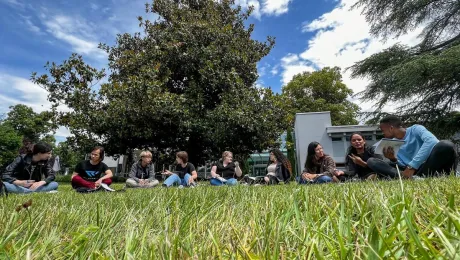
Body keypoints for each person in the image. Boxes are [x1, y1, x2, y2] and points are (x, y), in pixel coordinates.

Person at [367, 115, 458, 178]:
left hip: (429, 166)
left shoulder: (416, 129)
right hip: (412, 171)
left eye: (383, 130)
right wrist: (393, 159)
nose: (383, 134)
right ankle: (409, 177)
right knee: (372, 161)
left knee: (445, 145)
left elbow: (432, 141)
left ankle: (411, 177)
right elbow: (403, 165)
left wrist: (412, 166)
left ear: (391, 128)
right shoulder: (392, 143)